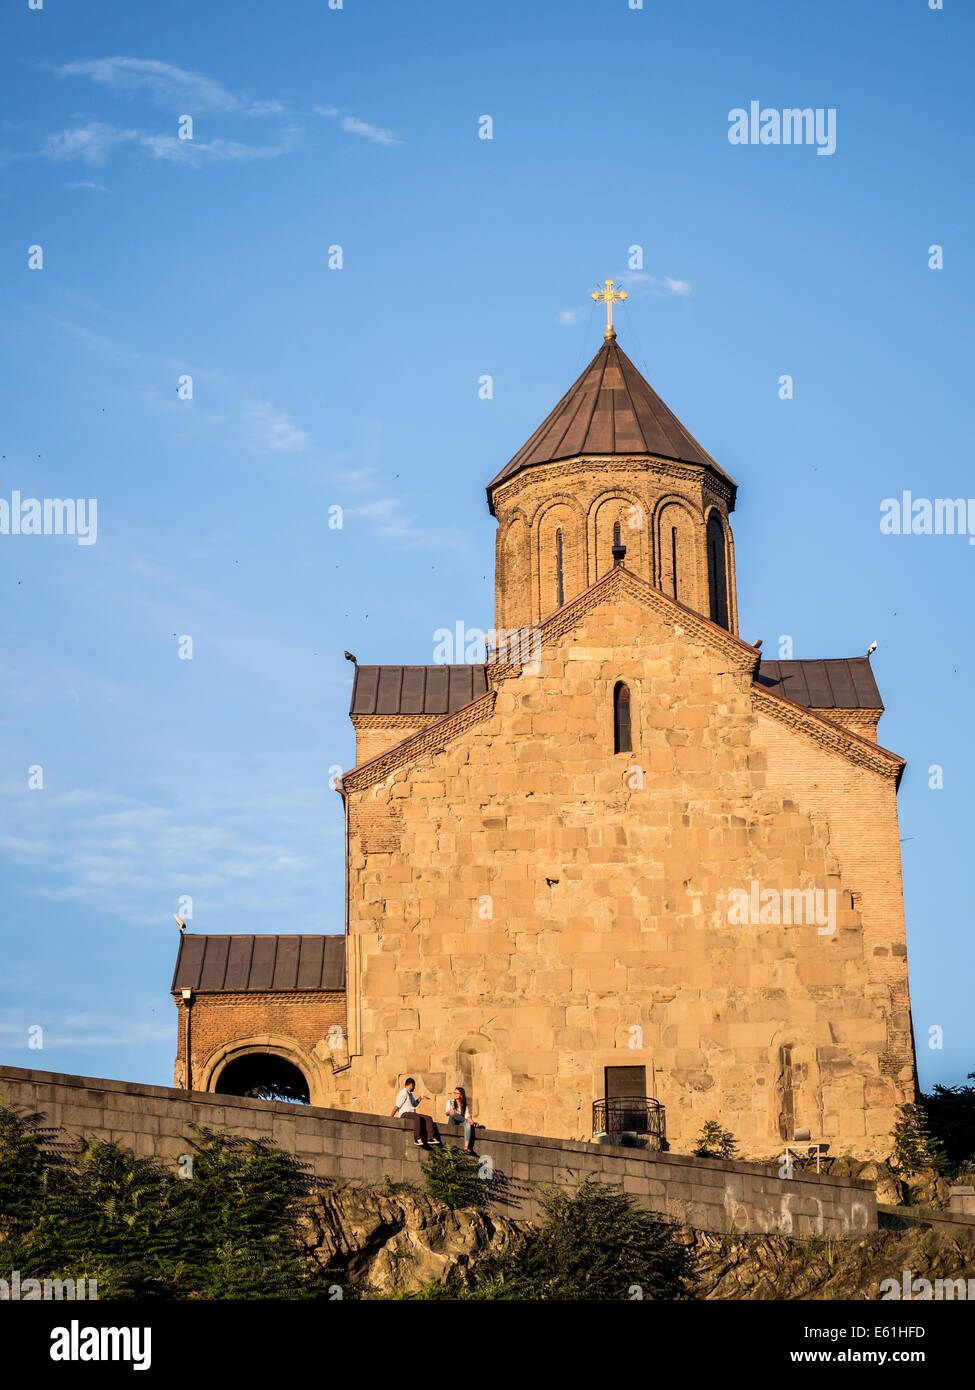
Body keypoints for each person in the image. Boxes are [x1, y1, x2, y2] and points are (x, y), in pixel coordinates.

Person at [392, 1076, 440, 1146]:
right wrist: (391, 1116)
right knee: (417, 1117)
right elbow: (397, 1106)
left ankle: (430, 1138)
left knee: (428, 1118)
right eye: (414, 1086)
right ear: (411, 1084)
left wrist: (421, 1098)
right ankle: (417, 1139)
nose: (414, 1088)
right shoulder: (403, 1093)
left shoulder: (410, 1094)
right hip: (404, 1113)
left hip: (411, 1113)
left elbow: (414, 1104)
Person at [444, 1086, 476, 1152]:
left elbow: (467, 1115)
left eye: (457, 1093)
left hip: (461, 1122)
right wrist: (450, 1111)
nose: (454, 1094)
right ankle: (465, 1121)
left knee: (467, 1124)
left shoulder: (464, 1105)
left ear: (461, 1095)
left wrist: (471, 1120)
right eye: (454, 1093)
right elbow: (446, 1113)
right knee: (453, 1114)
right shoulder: (450, 1102)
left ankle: (466, 1146)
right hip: (452, 1121)